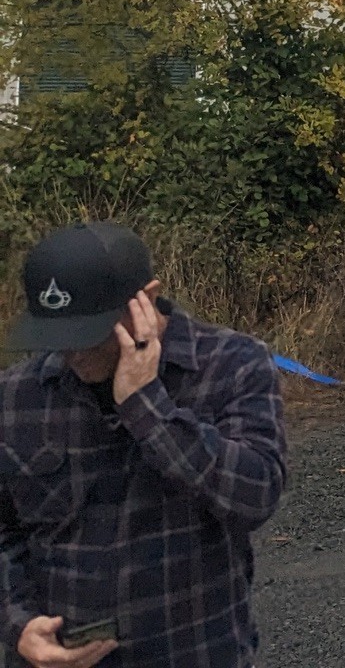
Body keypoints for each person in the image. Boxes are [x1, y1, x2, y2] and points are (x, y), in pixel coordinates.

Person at [0, 224, 286, 667]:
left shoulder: (233, 365)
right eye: (56, 336)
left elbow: (254, 496)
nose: (72, 353)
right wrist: (16, 624)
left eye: (89, 333)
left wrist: (147, 407)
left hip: (194, 653)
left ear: (147, 300)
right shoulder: (15, 397)